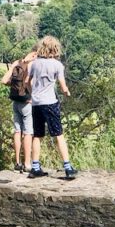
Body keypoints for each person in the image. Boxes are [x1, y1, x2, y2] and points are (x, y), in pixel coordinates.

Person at [26, 35, 76, 180]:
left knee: (38, 135)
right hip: (50, 103)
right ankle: (68, 167)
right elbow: (62, 85)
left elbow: (26, 81)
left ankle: (35, 167)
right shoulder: (57, 65)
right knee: (58, 134)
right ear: (55, 48)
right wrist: (66, 91)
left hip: (36, 103)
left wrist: (32, 93)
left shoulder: (34, 64)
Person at [1, 50, 37, 172]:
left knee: (17, 131)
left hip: (15, 102)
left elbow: (4, 81)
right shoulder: (31, 65)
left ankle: (17, 163)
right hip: (26, 103)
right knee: (28, 132)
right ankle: (27, 164)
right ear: (34, 55)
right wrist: (32, 97)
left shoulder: (16, 63)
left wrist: (14, 85)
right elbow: (28, 83)